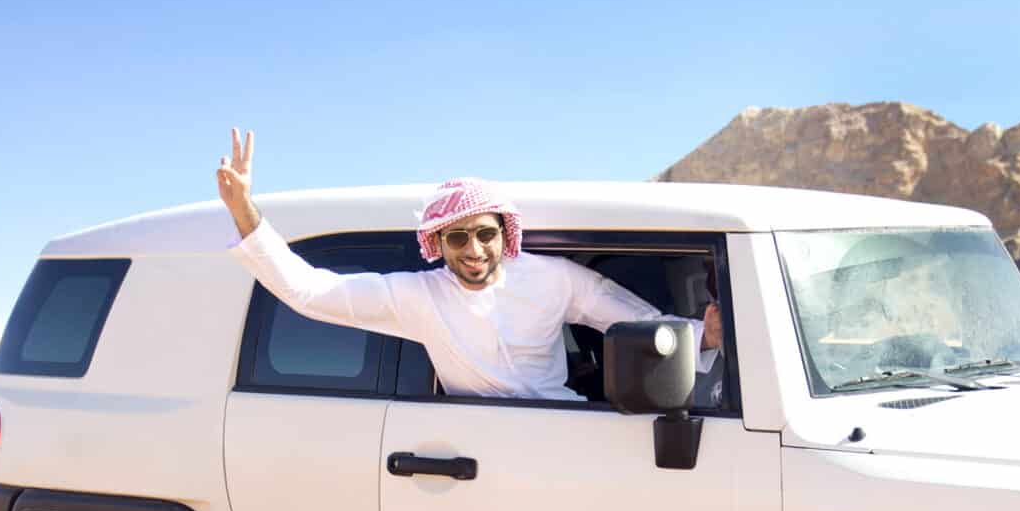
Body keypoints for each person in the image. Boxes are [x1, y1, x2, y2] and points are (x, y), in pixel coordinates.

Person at [215, 128, 722, 404]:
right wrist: (244, 212)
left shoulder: (555, 279)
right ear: (438, 242)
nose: (473, 248)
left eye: (485, 233)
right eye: (458, 236)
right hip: (480, 442)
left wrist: (703, 335)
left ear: (505, 234)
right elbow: (311, 292)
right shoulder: (419, 297)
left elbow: (630, 320)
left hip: (565, 429)